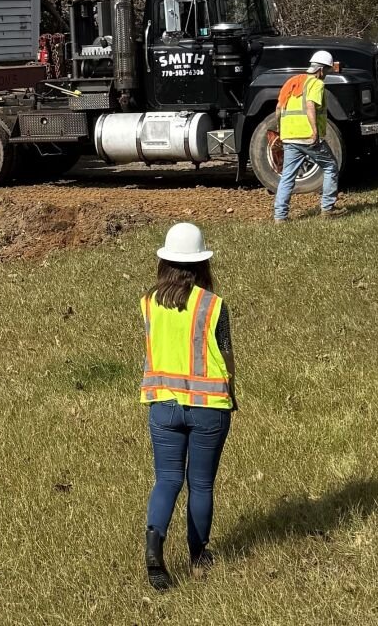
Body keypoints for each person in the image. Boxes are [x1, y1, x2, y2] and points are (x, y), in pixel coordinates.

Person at [140, 222, 237, 590]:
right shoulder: (213, 306)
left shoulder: (148, 303)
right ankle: (198, 555)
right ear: (201, 265)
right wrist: (232, 390)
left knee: (166, 480)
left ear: (164, 261)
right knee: (200, 484)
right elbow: (226, 355)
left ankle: (154, 548)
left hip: (162, 404)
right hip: (209, 406)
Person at [273, 49, 339, 222]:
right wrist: (314, 131)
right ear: (321, 70)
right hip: (307, 137)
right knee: (331, 166)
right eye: (328, 71)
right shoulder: (316, 84)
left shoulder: (293, 82)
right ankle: (327, 209)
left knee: (288, 176)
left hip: (289, 137)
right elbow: (310, 105)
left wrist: (280, 129)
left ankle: (280, 217)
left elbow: (279, 108)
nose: (327, 74)